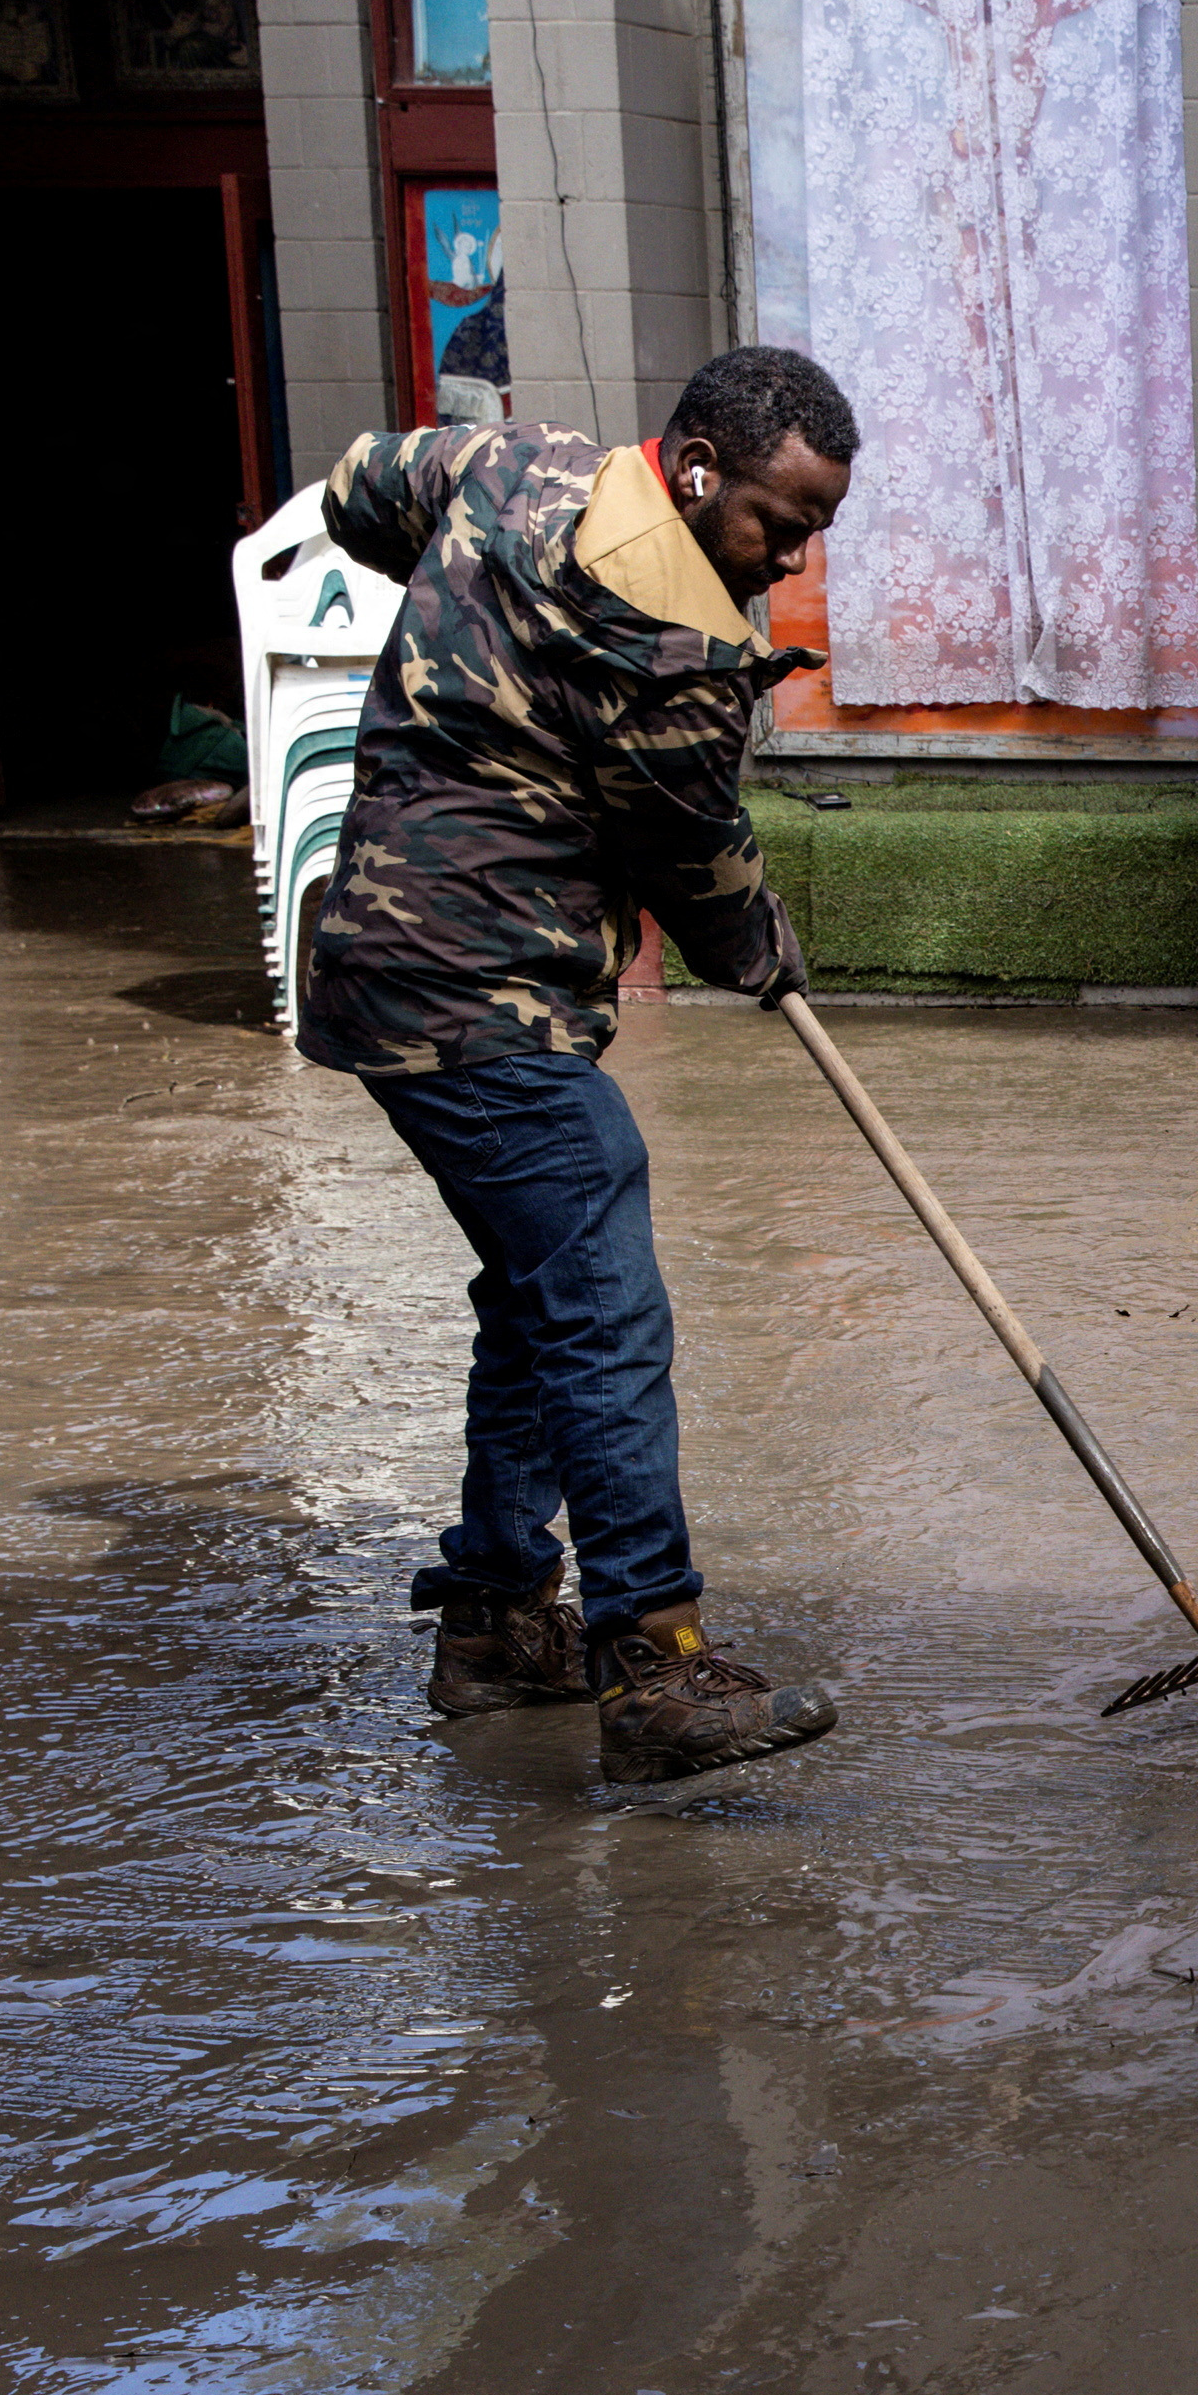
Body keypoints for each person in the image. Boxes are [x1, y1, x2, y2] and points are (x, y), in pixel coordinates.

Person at [301, 343, 862, 1787]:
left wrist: (461, 626)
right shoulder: (672, 647)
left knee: (541, 1293)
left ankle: (494, 1627)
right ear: (693, 471)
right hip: (475, 992)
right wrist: (763, 953)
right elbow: (693, 857)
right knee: (602, 1297)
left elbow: (361, 487)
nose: (790, 560)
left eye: (813, 533)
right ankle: (654, 1667)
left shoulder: (511, 463)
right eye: (778, 524)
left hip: (377, 953)